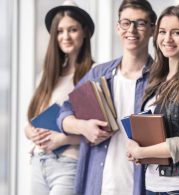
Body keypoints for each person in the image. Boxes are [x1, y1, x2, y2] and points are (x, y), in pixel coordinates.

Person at [56, 0, 157, 194]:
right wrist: (82, 127)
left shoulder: (161, 79)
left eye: (141, 23)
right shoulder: (98, 74)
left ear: (152, 29)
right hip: (98, 185)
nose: (132, 30)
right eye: (126, 23)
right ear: (118, 27)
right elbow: (65, 112)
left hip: (141, 187)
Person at [126, 5, 179, 195]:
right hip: (152, 185)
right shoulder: (155, 78)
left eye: (176, 33)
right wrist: (136, 147)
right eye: (162, 32)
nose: (167, 39)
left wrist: (142, 152)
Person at [24, 0, 95, 194]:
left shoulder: (93, 73)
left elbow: (99, 132)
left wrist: (62, 139)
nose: (65, 36)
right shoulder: (47, 76)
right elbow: (30, 121)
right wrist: (31, 133)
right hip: (38, 162)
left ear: (85, 32)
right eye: (60, 31)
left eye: (72, 30)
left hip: (68, 164)